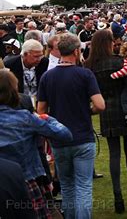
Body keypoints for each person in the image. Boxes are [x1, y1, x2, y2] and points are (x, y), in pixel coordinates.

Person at [37, 33, 105, 219]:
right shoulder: (85, 74)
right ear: (76, 51)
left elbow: (40, 110)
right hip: (82, 138)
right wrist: (86, 110)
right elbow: (100, 105)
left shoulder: (47, 77)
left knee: (67, 186)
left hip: (59, 140)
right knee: (83, 186)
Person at [84, 30, 127, 214]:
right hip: (126, 110)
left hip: (106, 110)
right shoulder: (120, 62)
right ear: (109, 43)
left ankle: (118, 196)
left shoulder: (90, 66)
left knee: (114, 154)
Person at [0, 69, 73, 218]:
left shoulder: (24, 118)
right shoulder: (25, 118)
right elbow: (65, 134)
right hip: (26, 181)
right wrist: (47, 119)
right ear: (13, 91)